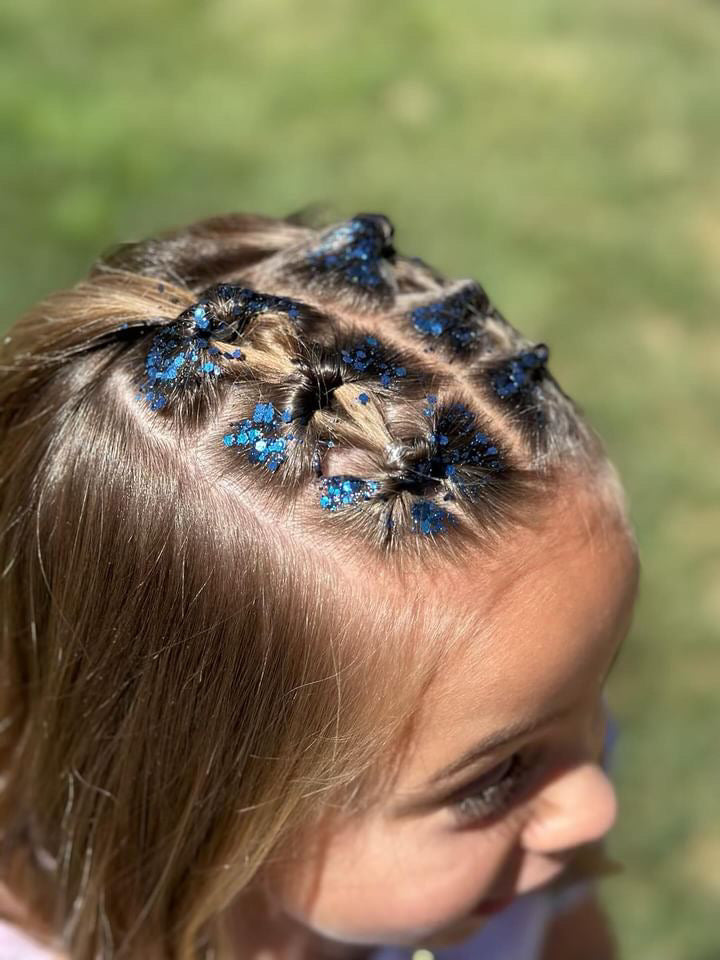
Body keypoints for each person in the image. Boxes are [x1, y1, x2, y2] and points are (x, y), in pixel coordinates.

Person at [0, 211, 640, 960]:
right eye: (493, 778)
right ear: (206, 795)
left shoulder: (530, 834)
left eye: (596, 681)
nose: (593, 803)